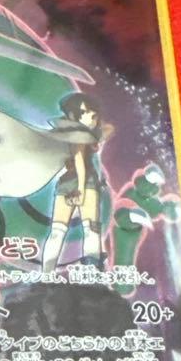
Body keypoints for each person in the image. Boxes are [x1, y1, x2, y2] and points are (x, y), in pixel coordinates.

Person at [40, 93, 110, 273]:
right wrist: (80, 190)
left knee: (58, 231)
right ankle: (91, 271)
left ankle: (47, 273)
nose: (91, 115)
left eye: (92, 112)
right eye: (85, 112)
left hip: (67, 184)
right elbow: (79, 162)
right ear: (74, 115)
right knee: (91, 228)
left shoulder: (71, 134)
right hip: (84, 183)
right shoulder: (79, 135)